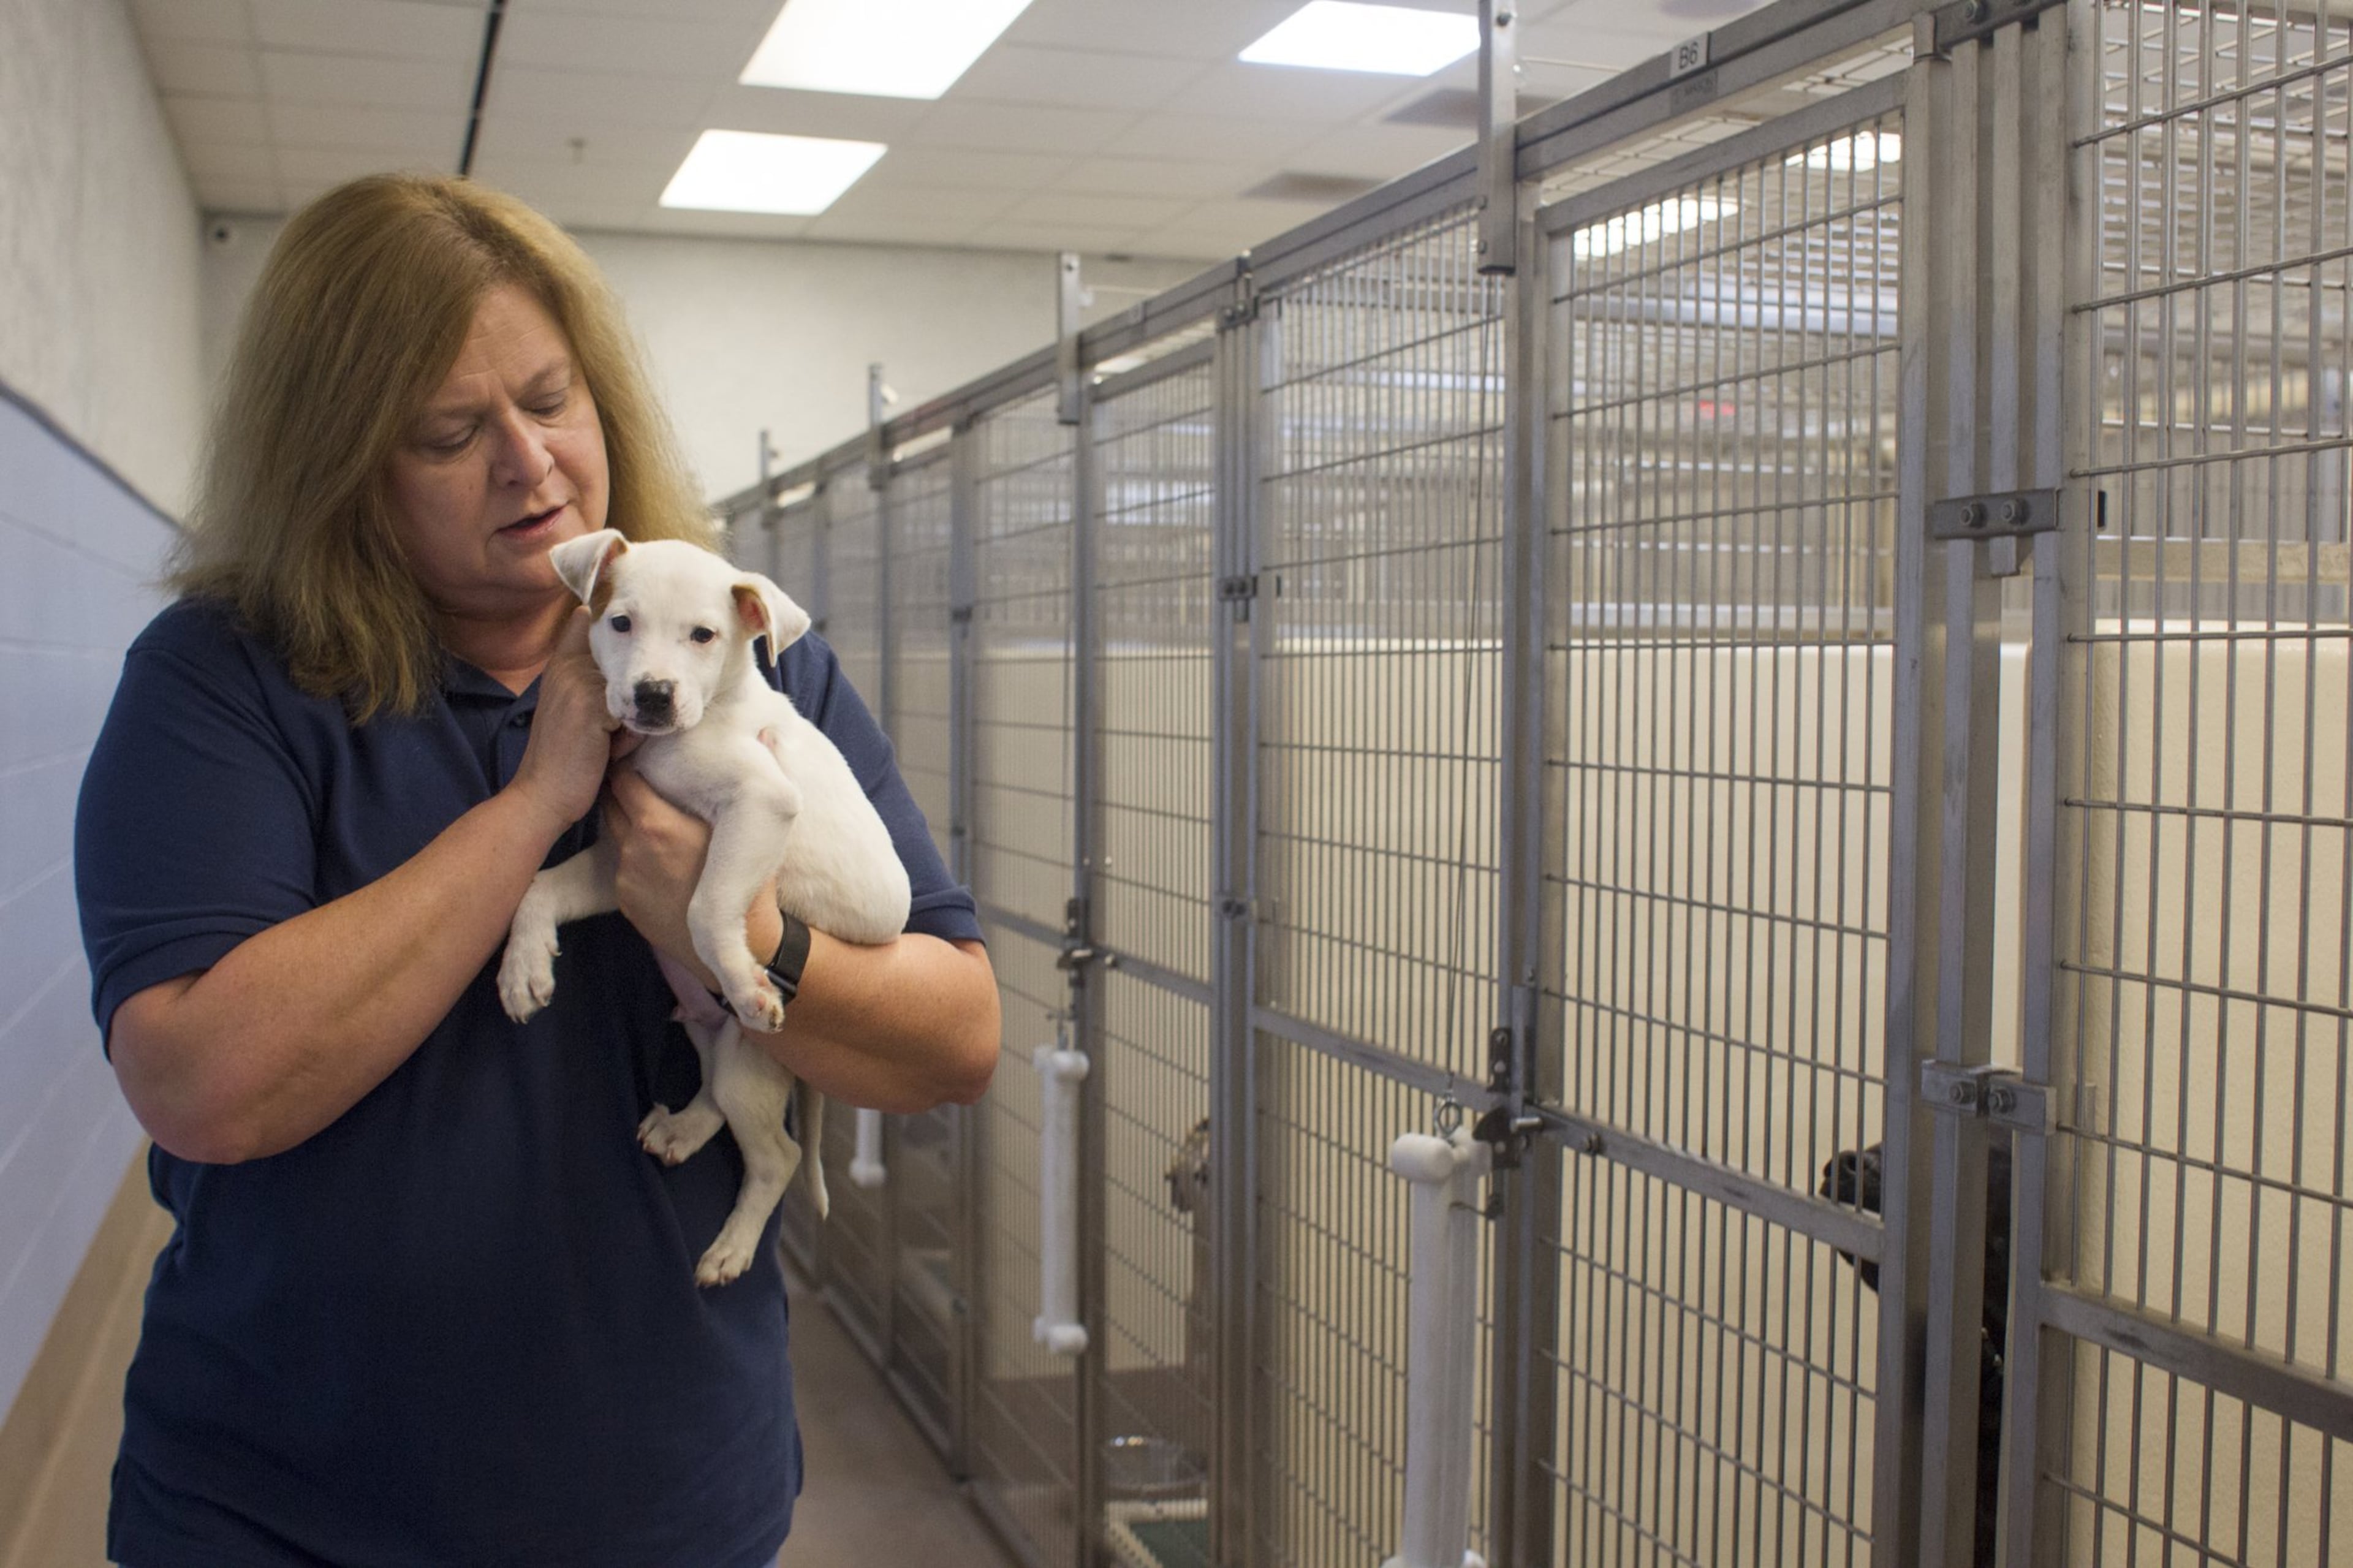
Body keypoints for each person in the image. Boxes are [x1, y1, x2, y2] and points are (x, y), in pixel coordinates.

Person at [73, 173, 999, 1568]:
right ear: (337, 461)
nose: (532, 463)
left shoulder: (751, 659)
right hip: (289, 1510)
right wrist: (538, 803)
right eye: (450, 431)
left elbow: (959, 1036)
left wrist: (748, 931)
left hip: (669, 1494)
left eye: (553, 398)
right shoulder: (229, 679)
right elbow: (203, 1083)